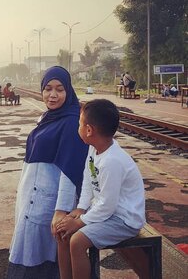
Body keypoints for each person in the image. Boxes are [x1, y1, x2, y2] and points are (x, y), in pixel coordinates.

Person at [7, 66, 89, 278]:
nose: (53, 95)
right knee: (33, 249)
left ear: (68, 91)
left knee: (47, 255)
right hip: (33, 197)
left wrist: (61, 210)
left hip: (49, 203)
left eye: (60, 89)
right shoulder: (49, 116)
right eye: (48, 89)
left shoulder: (71, 122)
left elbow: (71, 171)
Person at [56, 99, 145, 279]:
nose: (78, 127)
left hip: (124, 219)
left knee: (77, 242)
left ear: (89, 130)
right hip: (107, 213)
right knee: (62, 231)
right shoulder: (94, 148)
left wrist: (80, 222)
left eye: (80, 124)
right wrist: (81, 208)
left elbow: (107, 205)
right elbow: (88, 179)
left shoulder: (112, 161)